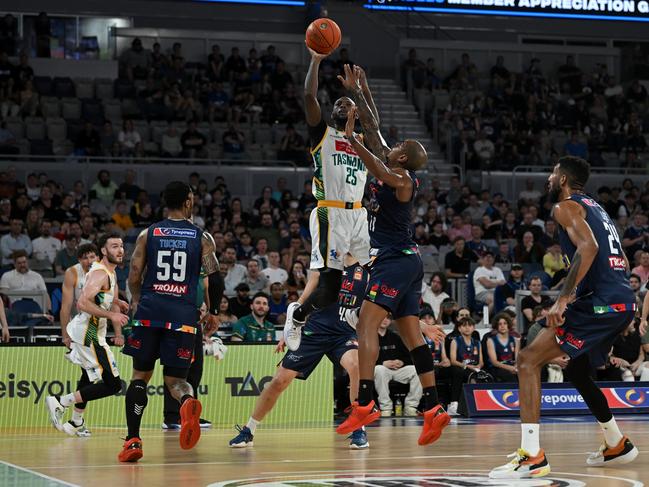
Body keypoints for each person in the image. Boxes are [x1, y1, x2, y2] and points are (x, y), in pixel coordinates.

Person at [490, 157, 639, 479]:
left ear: (563, 180)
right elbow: (623, 260)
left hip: (600, 303)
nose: (548, 177)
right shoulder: (597, 208)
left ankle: (532, 456)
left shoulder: (565, 207)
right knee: (578, 370)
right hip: (622, 302)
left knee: (528, 360)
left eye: (553, 173)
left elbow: (588, 248)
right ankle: (616, 443)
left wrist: (563, 299)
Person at [335, 65, 448, 447]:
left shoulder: (402, 179)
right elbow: (373, 128)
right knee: (412, 335)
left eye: (399, 147)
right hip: (405, 261)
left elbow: (377, 163)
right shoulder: (396, 166)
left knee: (366, 327)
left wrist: (351, 141)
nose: (394, 144)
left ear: (403, 158)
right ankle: (433, 408)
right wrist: (362, 90)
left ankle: (364, 402)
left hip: (396, 260)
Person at [282, 49, 380, 352]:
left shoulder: (363, 141)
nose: (341, 104)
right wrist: (314, 59)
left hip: (359, 215)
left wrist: (362, 93)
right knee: (328, 289)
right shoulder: (323, 134)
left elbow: (374, 125)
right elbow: (310, 98)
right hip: (330, 215)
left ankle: (361, 314)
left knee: (382, 271)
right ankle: (297, 315)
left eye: (347, 103)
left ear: (355, 114)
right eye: (338, 102)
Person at [119, 181, 224, 462]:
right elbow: (214, 277)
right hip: (183, 316)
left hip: (151, 312)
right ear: (188, 202)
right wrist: (213, 312)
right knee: (176, 380)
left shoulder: (148, 233)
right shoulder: (202, 237)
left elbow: (133, 275)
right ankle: (187, 402)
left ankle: (133, 441)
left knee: (140, 377)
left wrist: (140, 299)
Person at [229, 258, 371, 449]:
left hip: (344, 333)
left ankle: (358, 429)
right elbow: (303, 298)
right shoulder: (324, 263)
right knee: (279, 380)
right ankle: (249, 430)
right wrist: (291, 328)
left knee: (355, 366)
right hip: (313, 332)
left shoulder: (367, 268)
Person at [45, 234, 129, 437]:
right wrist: (112, 314)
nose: (120, 250)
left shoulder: (110, 272)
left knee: (87, 377)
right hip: (89, 334)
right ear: (103, 250)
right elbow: (82, 303)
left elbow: (102, 297)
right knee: (113, 384)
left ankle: (75, 422)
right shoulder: (101, 273)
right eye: (114, 246)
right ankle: (61, 401)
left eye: (121, 246)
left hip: (89, 331)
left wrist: (117, 303)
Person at [375, 317, 423, 417]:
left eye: (388, 318)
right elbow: (365, 358)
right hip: (381, 370)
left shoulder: (396, 337)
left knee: (416, 370)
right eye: (382, 317)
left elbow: (409, 357)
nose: (385, 320)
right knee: (379, 369)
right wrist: (382, 363)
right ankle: (385, 407)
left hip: (398, 370)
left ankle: (411, 406)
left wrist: (402, 362)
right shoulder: (370, 337)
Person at [60, 244, 98, 348]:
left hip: (101, 321)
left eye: (92, 257)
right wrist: (65, 336)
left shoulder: (107, 272)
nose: (89, 261)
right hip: (79, 322)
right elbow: (65, 307)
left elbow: (113, 303)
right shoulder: (72, 272)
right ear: (79, 260)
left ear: (98, 258)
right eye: (85, 258)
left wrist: (118, 334)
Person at [448, 317, 483, 416]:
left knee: (483, 375)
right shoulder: (455, 341)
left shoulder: (477, 342)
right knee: (457, 372)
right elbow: (453, 361)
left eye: (470, 325)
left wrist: (478, 367)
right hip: (461, 367)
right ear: (459, 328)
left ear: (474, 328)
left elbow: (481, 362)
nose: (467, 328)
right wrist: (468, 366)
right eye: (464, 325)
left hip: (473, 368)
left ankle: (478, 404)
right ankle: (453, 404)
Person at [486, 314, 518, 383]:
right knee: (509, 376)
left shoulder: (515, 340)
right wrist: (510, 368)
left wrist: (516, 367)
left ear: (508, 325)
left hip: (512, 367)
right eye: (500, 324)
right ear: (496, 326)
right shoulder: (491, 340)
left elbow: (517, 358)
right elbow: (494, 362)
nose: (502, 326)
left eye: (505, 323)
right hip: (498, 368)